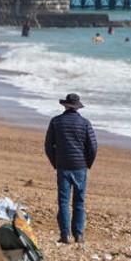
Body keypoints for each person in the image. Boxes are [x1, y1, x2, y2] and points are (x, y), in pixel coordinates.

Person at [44, 93, 97, 245]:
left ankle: (65, 235)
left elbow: (48, 146)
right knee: (79, 202)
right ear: (77, 107)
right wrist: (87, 163)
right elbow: (92, 147)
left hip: (63, 166)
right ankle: (79, 235)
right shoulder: (85, 123)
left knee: (63, 202)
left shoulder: (56, 122)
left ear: (65, 106)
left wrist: (55, 162)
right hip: (80, 166)